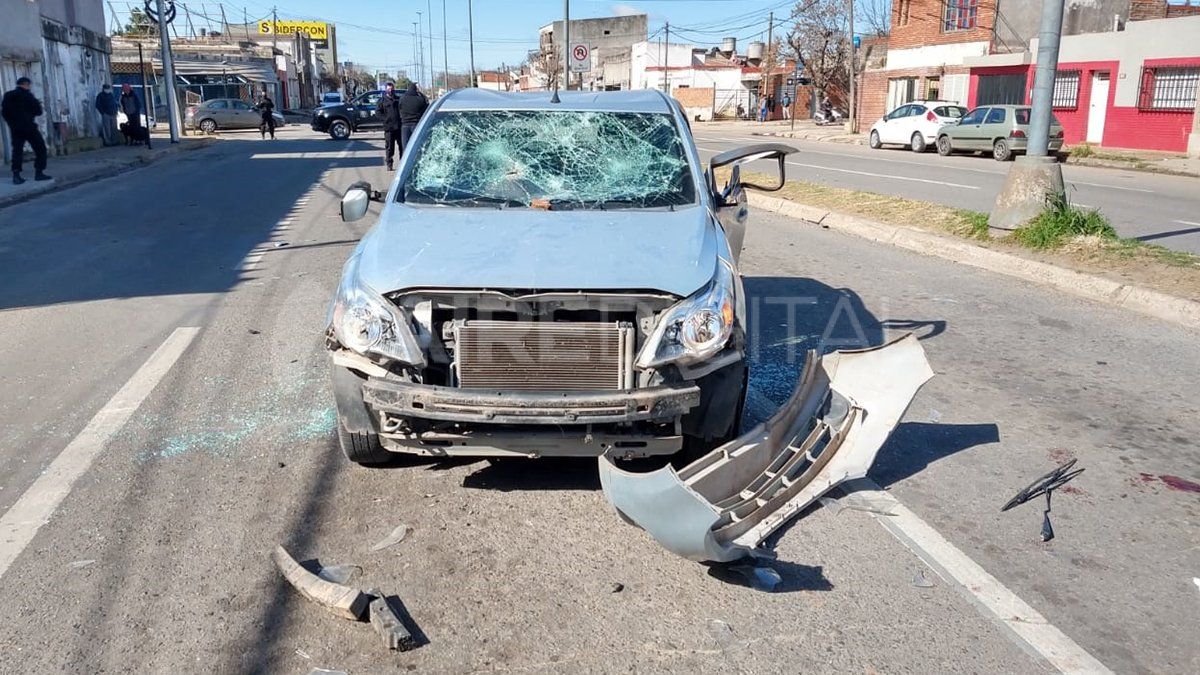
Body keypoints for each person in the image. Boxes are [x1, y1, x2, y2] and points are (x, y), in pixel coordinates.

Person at [1, 77, 50, 185]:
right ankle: (39, 172)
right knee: (40, 148)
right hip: (29, 127)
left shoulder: (8, 95)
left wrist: (12, 123)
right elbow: (38, 111)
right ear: (26, 84)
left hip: (16, 128)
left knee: (17, 151)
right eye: (28, 85)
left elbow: (4, 112)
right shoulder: (28, 96)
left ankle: (16, 175)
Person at [398, 82, 429, 155]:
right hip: (416, 124)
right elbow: (425, 109)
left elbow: (399, 109)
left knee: (405, 147)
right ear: (415, 89)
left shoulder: (402, 98)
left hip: (405, 125)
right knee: (417, 146)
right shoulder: (420, 99)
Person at [377, 82, 402, 170]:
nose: (390, 91)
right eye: (389, 89)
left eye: (392, 89)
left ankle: (402, 164)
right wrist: (385, 119)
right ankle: (389, 164)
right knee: (389, 147)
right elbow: (378, 113)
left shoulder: (398, 99)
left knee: (402, 146)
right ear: (386, 90)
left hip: (398, 127)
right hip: (389, 128)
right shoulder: (382, 101)